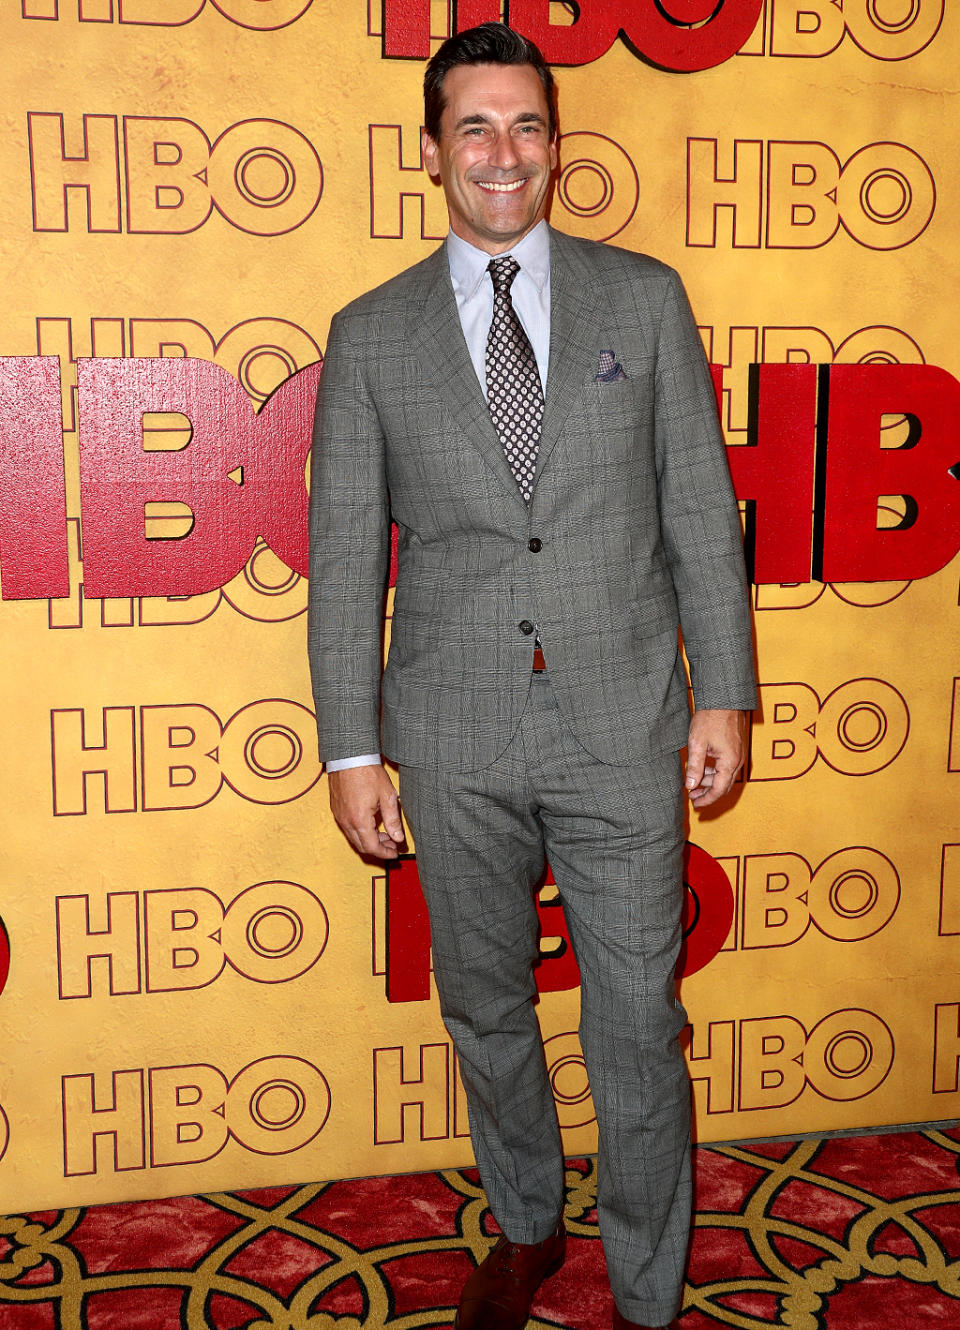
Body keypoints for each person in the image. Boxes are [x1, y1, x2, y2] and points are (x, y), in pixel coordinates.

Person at [308, 22, 756, 1330]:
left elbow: (696, 509)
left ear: (555, 145)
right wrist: (352, 749)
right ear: (434, 149)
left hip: (625, 719)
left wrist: (721, 687)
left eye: (525, 126)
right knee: (486, 1002)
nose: (502, 153)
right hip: (450, 731)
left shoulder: (644, 299)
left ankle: (649, 1286)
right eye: (475, 127)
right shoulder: (372, 333)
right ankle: (523, 1218)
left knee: (635, 1021)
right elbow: (345, 561)